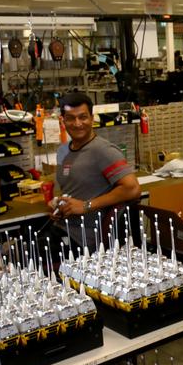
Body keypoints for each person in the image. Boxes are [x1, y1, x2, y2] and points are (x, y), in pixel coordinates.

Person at [46, 92, 141, 255]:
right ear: (63, 121)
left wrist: (85, 206)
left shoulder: (103, 151)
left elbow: (132, 189)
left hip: (83, 240)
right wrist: (58, 205)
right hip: (62, 230)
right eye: (70, 118)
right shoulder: (63, 151)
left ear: (92, 118)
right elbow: (70, 189)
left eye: (83, 117)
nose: (77, 124)